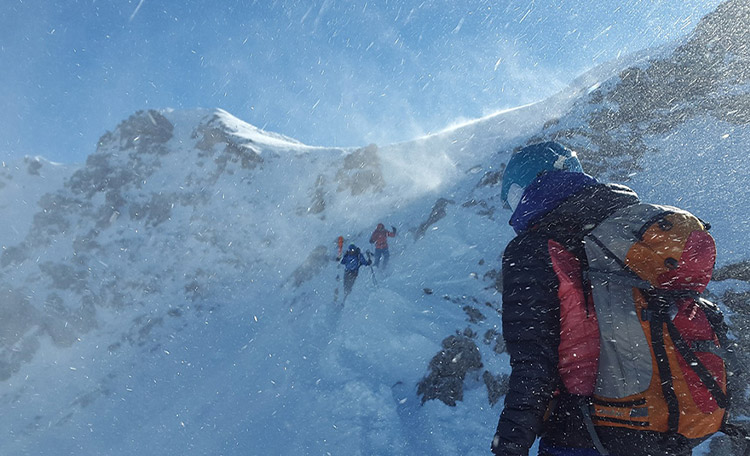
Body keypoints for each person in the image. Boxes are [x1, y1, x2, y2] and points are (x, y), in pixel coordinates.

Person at [490, 141, 709, 456]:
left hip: (585, 433)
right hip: (662, 425)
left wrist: (510, 444)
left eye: (511, 197)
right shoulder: (628, 230)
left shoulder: (533, 248)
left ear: (525, 189)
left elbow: (534, 365)